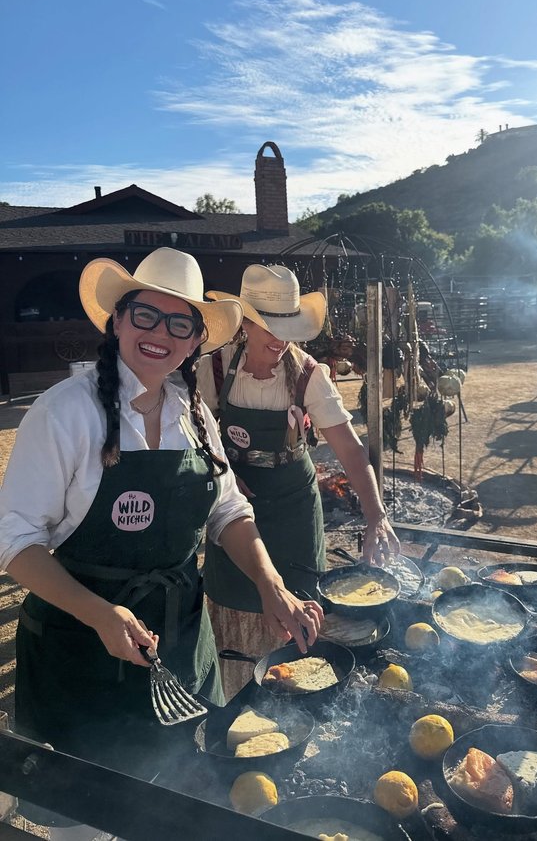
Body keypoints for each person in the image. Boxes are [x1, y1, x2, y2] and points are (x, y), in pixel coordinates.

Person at [0, 248, 322, 836]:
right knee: (90, 819)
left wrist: (273, 588)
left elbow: (228, 508)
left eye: (181, 323)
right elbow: (16, 543)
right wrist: (100, 613)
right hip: (82, 652)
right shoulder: (64, 414)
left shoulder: (191, 411)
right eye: (145, 315)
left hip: (176, 641)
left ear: (197, 339)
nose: (160, 334)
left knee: (170, 795)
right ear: (117, 319)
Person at [197, 263, 400, 699]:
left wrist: (376, 516)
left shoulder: (309, 374)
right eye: (268, 326)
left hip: (292, 510)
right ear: (244, 322)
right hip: (234, 512)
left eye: (287, 325)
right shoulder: (211, 370)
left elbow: (349, 451)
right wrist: (225, 470)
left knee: (299, 605)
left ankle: (299, 700)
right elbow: (197, 435)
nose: (279, 338)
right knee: (235, 603)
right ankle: (236, 697)